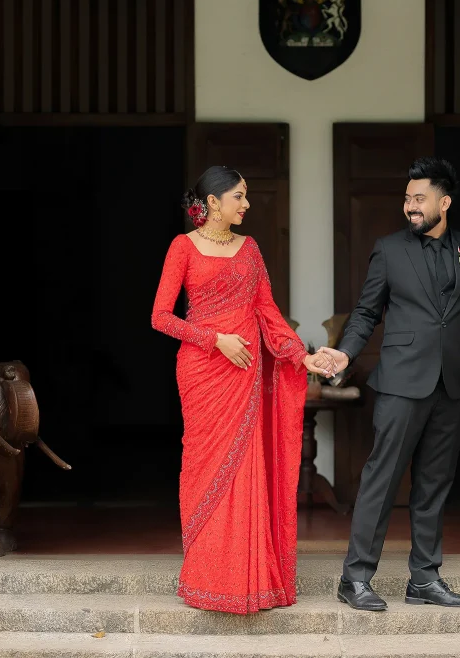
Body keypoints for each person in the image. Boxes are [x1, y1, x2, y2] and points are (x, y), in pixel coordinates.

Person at [151, 166, 333, 614]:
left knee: (246, 469)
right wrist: (215, 339)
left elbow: (267, 310)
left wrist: (300, 356)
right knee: (204, 469)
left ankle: (248, 581)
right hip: (203, 372)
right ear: (213, 202)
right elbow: (161, 317)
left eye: (246, 195)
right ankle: (206, 577)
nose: (247, 204)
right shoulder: (182, 247)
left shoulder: (249, 248)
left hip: (245, 373)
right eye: (239, 196)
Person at [320, 157, 460, 611]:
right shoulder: (389, 250)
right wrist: (346, 352)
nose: (410, 207)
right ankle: (355, 578)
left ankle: (424, 579)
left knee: (435, 483)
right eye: (407, 199)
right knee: (382, 479)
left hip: (455, 386)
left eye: (419, 198)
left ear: (444, 202)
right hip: (401, 382)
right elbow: (366, 312)